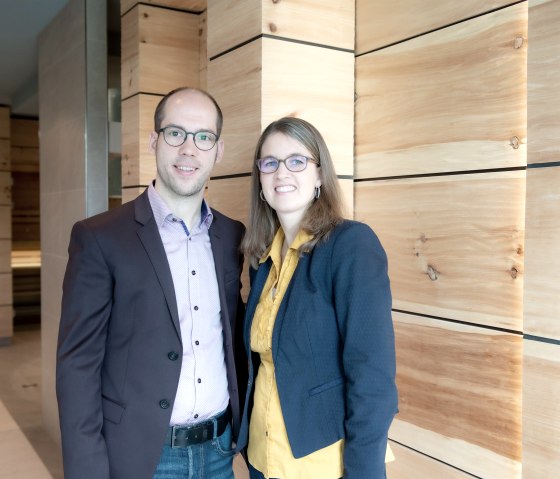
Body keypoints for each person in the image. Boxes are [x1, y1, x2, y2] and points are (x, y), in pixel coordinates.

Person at [56, 87, 246, 479]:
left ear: (218, 150)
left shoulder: (232, 236)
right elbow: (77, 366)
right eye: (175, 133)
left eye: (203, 137)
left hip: (219, 452)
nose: (189, 150)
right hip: (145, 457)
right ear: (153, 141)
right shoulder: (100, 237)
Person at [237, 117, 398, 479]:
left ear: (320, 175)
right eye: (270, 163)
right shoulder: (261, 260)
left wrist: (364, 472)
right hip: (264, 461)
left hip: (325, 465)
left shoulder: (350, 245)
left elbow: (372, 374)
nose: (282, 173)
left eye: (297, 161)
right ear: (260, 180)